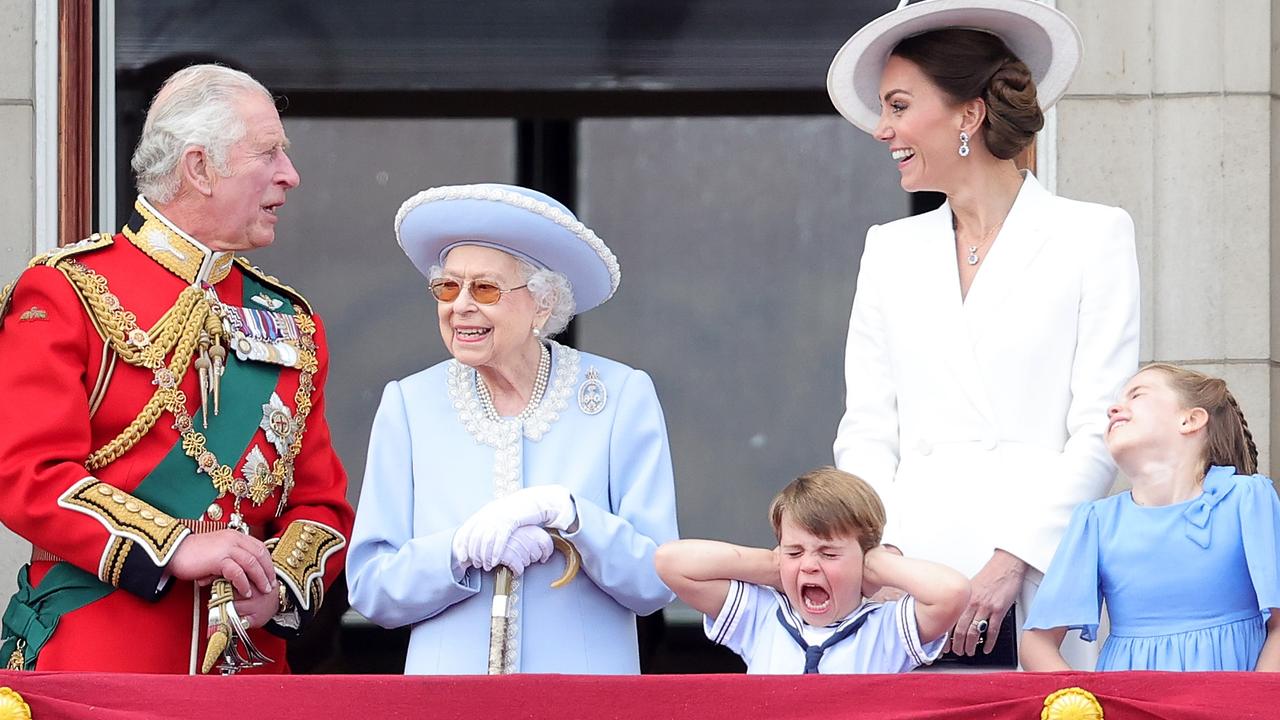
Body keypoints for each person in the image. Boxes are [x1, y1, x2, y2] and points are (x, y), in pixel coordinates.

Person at [0, 64, 353, 673]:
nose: (289, 176)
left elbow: (322, 505)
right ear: (198, 167)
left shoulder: (291, 321)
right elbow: (27, 473)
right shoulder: (68, 291)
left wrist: (281, 587)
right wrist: (175, 547)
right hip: (102, 668)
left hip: (248, 675)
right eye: (268, 153)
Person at [826, 0, 1140, 666]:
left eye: (899, 106)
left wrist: (1014, 560)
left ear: (968, 114)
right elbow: (869, 428)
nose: (883, 129)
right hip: (910, 585)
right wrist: (887, 557)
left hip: (1035, 580)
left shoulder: (1093, 236)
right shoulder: (889, 248)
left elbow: (1099, 428)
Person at [346, 183, 678, 674]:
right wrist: (456, 550)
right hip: (447, 704)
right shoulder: (409, 404)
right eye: (447, 287)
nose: (460, 306)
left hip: (583, 703)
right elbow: (372, 589)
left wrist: (570, 515)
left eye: (484, 288)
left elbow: (655, 582)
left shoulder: (620, 396)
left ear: (542, 305)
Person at [1022, 364, 1280, 671]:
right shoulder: (1096, 521)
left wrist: (1254, 706)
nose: (1114, 408)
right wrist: (1082, 706)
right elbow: (1036, 643)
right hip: (1130, 705)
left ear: (1190, 419)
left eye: (1136, 395)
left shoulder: (1246, 498)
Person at [655, 466, 968, 674]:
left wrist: (876, 564)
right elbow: (670, 562)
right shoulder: (761, 617)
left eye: (828, 553)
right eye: (794, 551)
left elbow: (952, 592)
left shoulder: (884, 630)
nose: (808, 565)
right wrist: (771, 566)